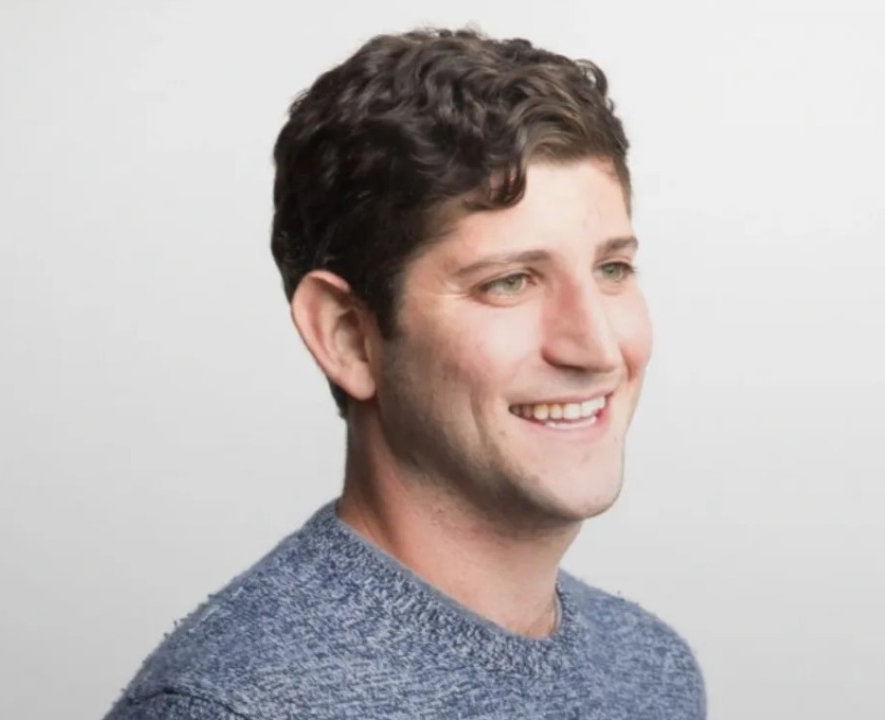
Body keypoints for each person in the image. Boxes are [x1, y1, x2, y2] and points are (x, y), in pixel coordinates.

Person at [104, 26, 705, 719]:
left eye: (613, 269)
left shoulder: (651, 671)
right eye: (509, 282)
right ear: (348, 337)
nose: (596, 347)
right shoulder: (228, 707)